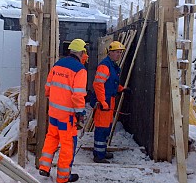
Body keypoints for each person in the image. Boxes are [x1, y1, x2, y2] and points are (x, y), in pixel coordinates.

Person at [39, 39, 88, 183]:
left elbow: (47, 88)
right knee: (67, 145)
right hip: (67, 117)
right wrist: (80, 114)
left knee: (51, 138)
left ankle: (44, 166)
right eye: (85, 52)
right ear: (81, 52)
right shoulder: (80, 69)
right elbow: (78, 95)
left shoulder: (57, 65)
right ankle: (63, 177)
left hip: (54, 113)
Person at [90, 41, 130, 163]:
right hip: (104, 102)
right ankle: (98, 156)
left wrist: (121, 89)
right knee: (101, 129)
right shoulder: (105, 66)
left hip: (109, 100)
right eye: (117, 52)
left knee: (106, 128)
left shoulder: (112, 66)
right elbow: (98, 84)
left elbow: (111, 83)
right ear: (110, 53)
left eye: (120, 53)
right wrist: (102, 101)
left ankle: (101, 151)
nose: (119, 55)